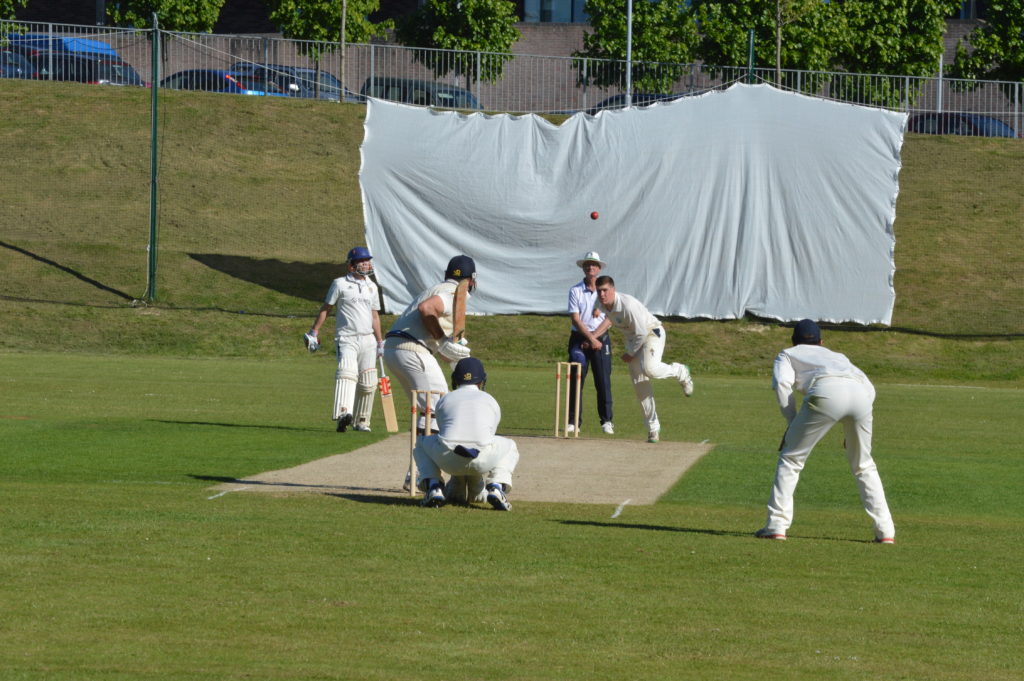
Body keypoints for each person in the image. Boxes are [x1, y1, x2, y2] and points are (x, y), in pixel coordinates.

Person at [755, 319, 895, 543]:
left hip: (826, 391)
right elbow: (869, 386)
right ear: (822, 342)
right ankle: (885, 532)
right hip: (861, 395)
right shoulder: (838, 356)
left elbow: (782, 383)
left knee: (791, 459)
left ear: (794, 341)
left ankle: (776, 525)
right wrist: (855, 428)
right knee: (864, 464)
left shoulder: (788, 354)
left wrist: (791, 424)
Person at [594, 275, 693, 443]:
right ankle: (653, 429)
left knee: (650, 369)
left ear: (613, 290)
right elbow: (603, 314)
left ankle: (680, 371)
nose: (602, 294)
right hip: (633, 340)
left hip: (651, 333)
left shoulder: (627, 305)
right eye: (599, 291)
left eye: (605, 290)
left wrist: (630, 353)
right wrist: (594, 319)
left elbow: (641, 332)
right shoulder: (601, 302)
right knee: (640, 385)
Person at [382, 255, 475, 432]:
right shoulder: (454, 292)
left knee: (427, 409)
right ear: (471, 280)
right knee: (438, 406)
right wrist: (442, 340)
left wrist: (455, 357)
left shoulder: (437, 288)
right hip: (412, 350)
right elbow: (427, 308)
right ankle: (428, 458)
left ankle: (420, 456)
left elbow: (441, 347)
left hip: (394, 349)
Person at [414, 357, 519, 511]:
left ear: (455, 379)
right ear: (482, 380)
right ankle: (497, 486)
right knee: (510, 446)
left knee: (421, 443)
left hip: (447, 457)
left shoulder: (446, 398)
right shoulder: (490, 399)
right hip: (482, 457)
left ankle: (433, 486)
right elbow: (488, 435)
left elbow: (443, 432)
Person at [304, 246, 384, 432]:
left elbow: (375, 316)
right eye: (362, 261)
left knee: (368, 381)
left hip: (368, 339)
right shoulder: (339, 284)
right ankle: (343, 414)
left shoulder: (371, 286)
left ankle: (362, 421)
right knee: (347, 374)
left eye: (368, 261)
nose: (366, 264)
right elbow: (326, 308)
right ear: (351, 265)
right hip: (346, 338)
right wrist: (314, 332)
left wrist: (380, 342)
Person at [565, 251, 614, 435]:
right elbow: (575, 319)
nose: (590, 267)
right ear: (583, 268)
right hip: (580, 339)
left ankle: (607, 420)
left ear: (599, 268)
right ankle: (573, 421)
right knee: (575, 380)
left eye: (594, 264)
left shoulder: (606, 290)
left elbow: (610, 317)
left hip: (601, 339)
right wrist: (590, 338)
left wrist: (595, 338)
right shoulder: (575, 290)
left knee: (603, 381)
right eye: (587, 264)